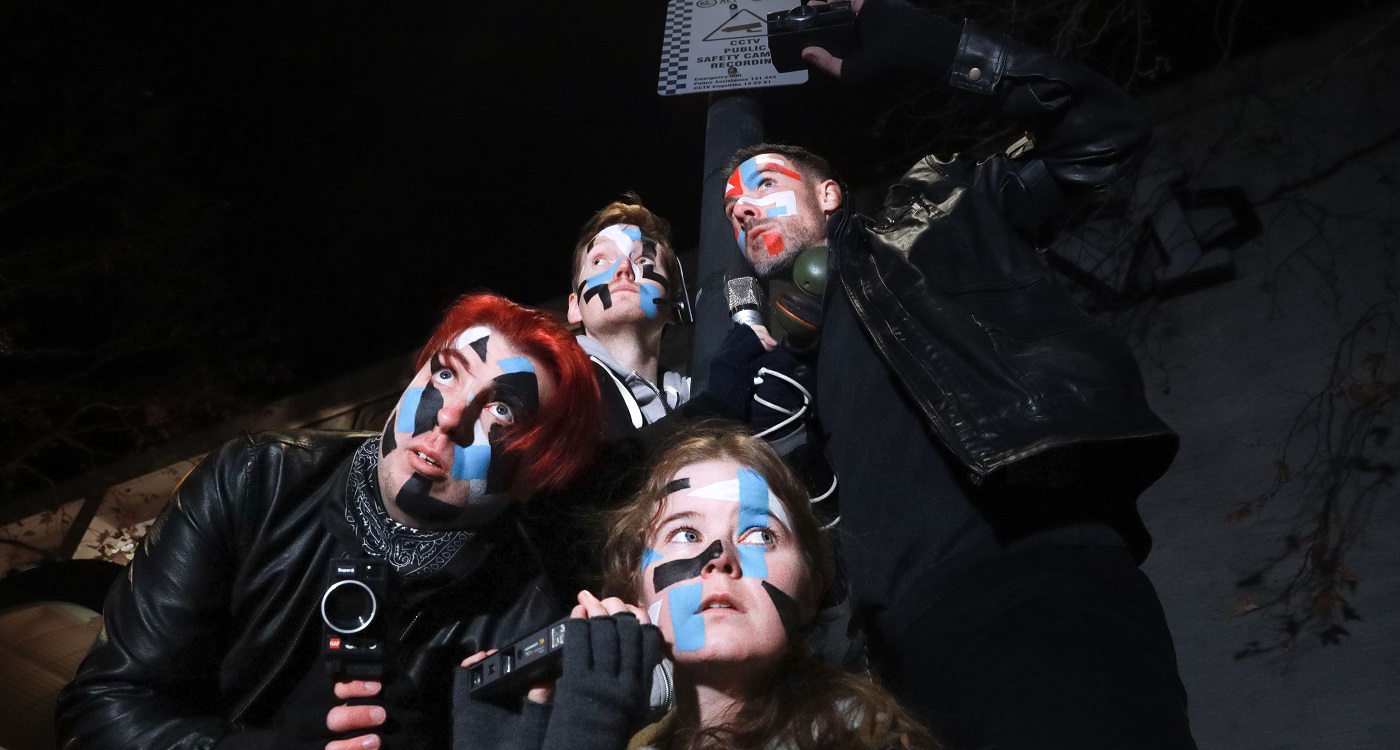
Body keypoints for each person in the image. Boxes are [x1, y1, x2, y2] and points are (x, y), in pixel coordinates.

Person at [716, 1, 1198, 748]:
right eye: (732, 208)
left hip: (1033, 585)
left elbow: (1104, 133)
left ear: (830, 194)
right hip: (898, 661)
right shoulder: (786, 369)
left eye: (766, 187)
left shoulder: (938, 213)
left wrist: (922, 44)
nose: (744, 210)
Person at [56, 292, 604, 750]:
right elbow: (99, 707)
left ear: (538, 471)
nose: (449, 415)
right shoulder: (257, 480)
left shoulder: (522, 614)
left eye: (501, 409)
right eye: (444, 373)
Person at [452, 420, 937, 750]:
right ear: (637, 591)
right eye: (685, 534)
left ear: (812, 587)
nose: (720, 557)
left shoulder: (866, 737)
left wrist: (586, 728)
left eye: (760, 534)